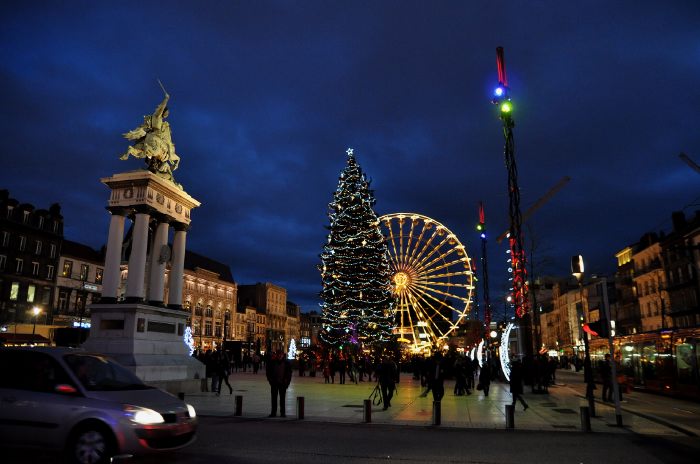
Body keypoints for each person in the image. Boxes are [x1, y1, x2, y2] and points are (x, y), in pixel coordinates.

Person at [266, 349, 292, 417]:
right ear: (276, 355)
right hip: (274, 383)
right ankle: (273, 412)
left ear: (283, 355)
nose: (279, 356)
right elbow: (268, 372)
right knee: (274, 399)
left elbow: (289, 374)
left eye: (281, 354)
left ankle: (282, 413)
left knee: (282, 399)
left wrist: (287, 383)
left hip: (283, 383)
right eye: (278, 354)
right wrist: (270, 380)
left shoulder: (287, 363)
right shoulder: (272, 362)